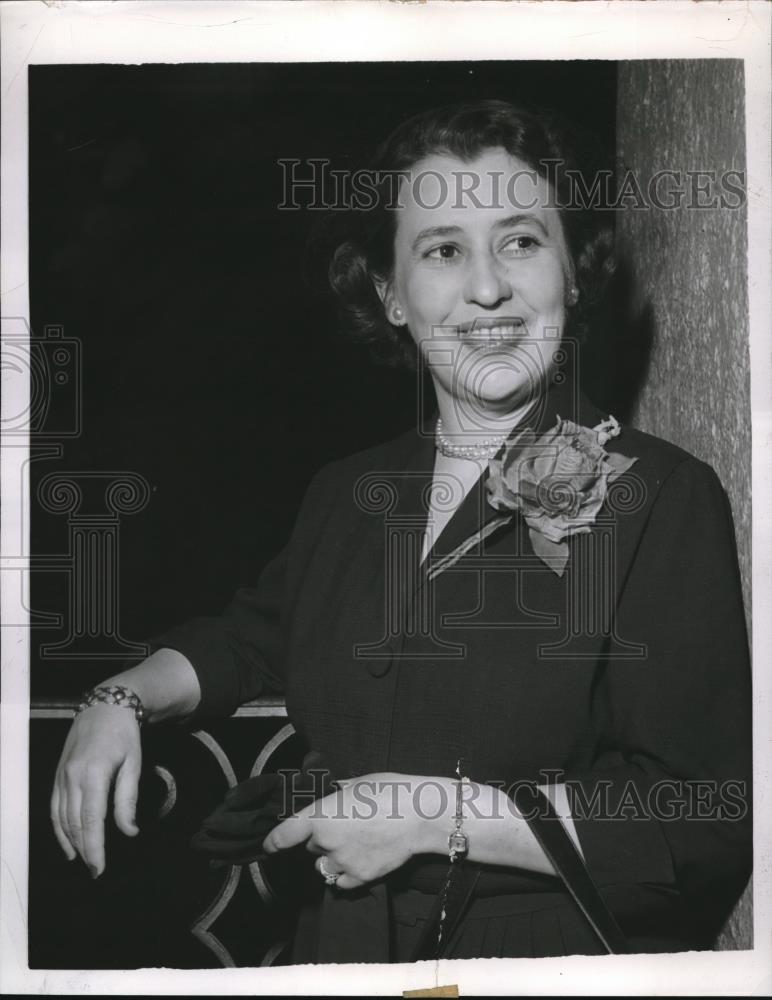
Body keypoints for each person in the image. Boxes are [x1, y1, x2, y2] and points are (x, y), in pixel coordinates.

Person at [50, 100, 752, 963]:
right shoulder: (348, 492)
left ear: (573, 273)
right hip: (335, 954)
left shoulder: (660, 495)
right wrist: (116, 702)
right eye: (443, 249)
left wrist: (430, 819)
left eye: (523, 240)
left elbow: (702, 818)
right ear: (388, 292)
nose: (488, 287)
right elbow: (253, 637)